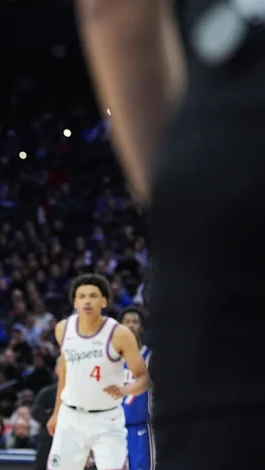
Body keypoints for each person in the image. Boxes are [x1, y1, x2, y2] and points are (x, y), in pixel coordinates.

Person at [76, 1, 265, 468]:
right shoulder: (69, 333)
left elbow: (114, 11)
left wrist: (168, 197)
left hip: (229, 135)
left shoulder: (119, 335)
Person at [46, 274, 150, 470]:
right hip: (71, 417)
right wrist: (56, 413)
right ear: (75, 302)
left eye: (93, 295)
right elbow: (66, 373)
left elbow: (143, 377)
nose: (87, 301)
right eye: (82, 296)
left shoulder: (120, 334)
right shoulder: (63, 329)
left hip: (107, 420)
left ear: (103, 301)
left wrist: (126, 390)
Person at [119, 306, 153, 470]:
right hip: (113, 429)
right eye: (127, 322)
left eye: (135, 322)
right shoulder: (110, 359)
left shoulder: (151, 358)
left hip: (141, 427)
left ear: (142, 328)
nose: (131, 325)